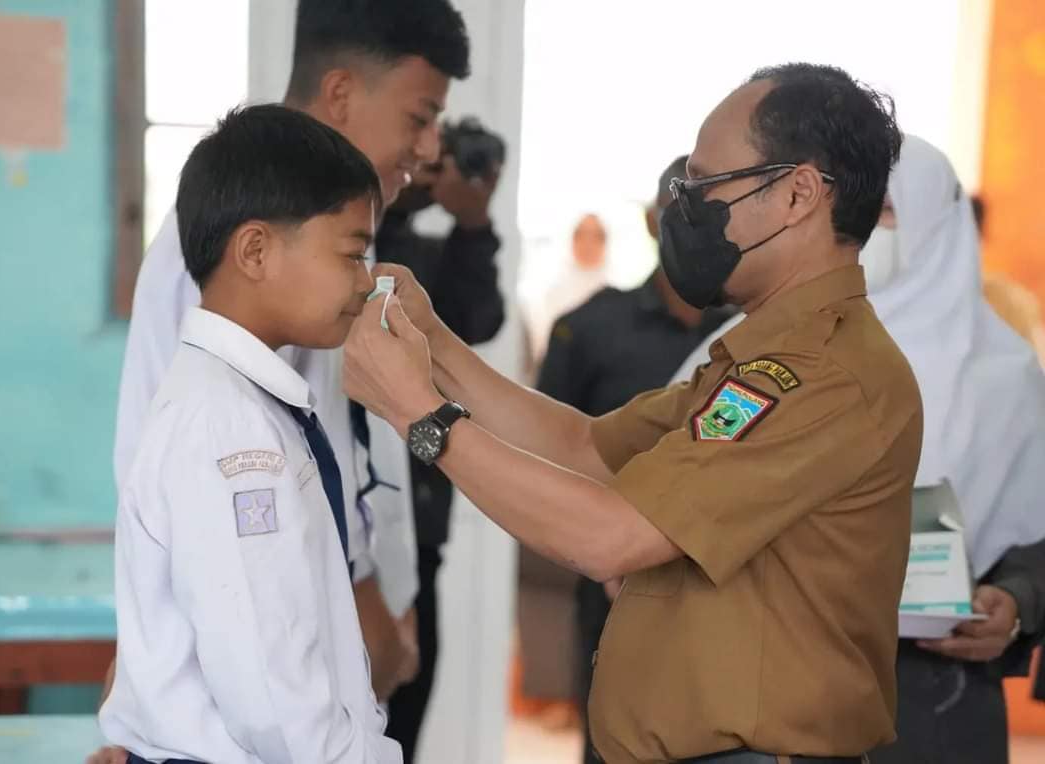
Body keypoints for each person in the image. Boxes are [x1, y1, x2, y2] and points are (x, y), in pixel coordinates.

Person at [344, 62, 919, 763]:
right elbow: (584, 446)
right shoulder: (761, 355)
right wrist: (435, 343)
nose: (683, 209)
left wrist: (418, 415)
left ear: (798, 193)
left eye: (706, 186)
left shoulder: (820, 374)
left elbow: (610, 537)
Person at [110, 0, 471, 710]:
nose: (430, 149)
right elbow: (194, 483)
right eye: (419, 117)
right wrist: (362, 597)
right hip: (306, 637)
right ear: (340, 92)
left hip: (359, 612)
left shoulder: (327, 228)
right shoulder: (237, 247)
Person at [98, 104, 398, 763]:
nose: (366, 280)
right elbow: (271, 697)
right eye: (352, 254)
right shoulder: (229, 429)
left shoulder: (244, 403)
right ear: (256, 250)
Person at [535, 154, 734, 764]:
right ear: (653, 220)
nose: (696, 231)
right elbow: (555, 449)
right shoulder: (589, 328)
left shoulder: (754, 337)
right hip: (611, 581)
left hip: (726, 591)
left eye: (713, 214)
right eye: (680, 212)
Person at [854, 135, 1045, 764]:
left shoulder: (1007, 376)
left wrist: (1014, 602)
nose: (861, 230)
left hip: (934, 696)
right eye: (848, 209)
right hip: (772, 682)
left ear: (939, 221)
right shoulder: (759, 348)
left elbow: (1036, 534)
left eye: (884, 211)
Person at [372, 132, 506, 761]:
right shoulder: (358, 241)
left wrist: (473, 222)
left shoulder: (434, 258)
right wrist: (392, 202)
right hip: (348, 519)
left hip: (419, 521)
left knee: (405, 711)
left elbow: (479, 319)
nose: (424, 161)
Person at [523, 213, 610, 368]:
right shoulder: (552, 291)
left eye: (597, 236)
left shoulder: (613, 295)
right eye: (581, 235)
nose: (588, 243)